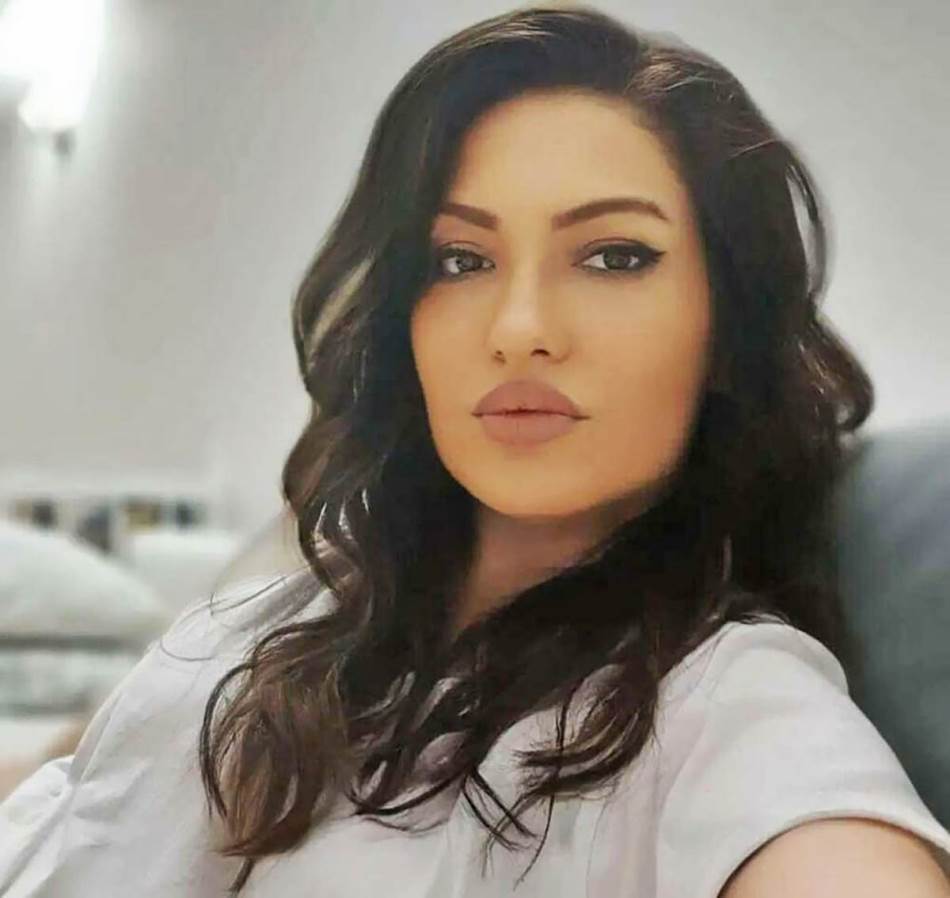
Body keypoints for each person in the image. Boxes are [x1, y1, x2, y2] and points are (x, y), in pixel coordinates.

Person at [2, 5, 950, 896]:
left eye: (614, 256)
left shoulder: (728, 714)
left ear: (726, 328)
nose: (519, 328)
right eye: (461, 261)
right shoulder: (254, 629)